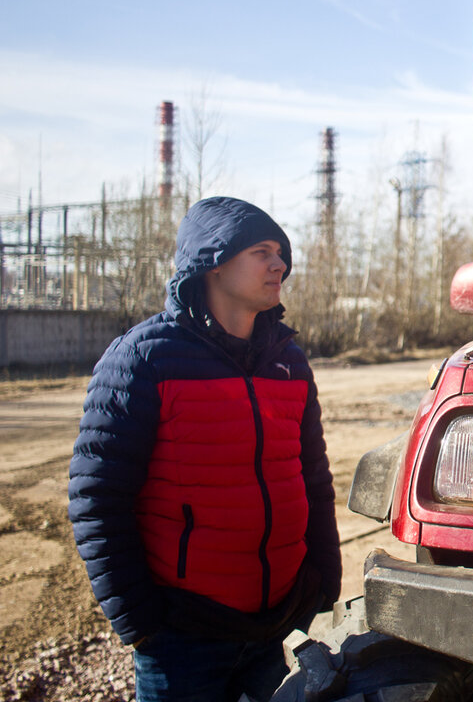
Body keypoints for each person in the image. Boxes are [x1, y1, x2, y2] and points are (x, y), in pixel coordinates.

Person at [68, 196, 341, 702]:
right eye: (262, 250)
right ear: (212, 261)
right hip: (184, 638)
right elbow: (97, 498)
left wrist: (323, 579)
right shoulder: (143, 359)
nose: (280, 263)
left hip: (278, 626)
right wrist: (140, 619)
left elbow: (313, 480)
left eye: (281, 251)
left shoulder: (289, 361)